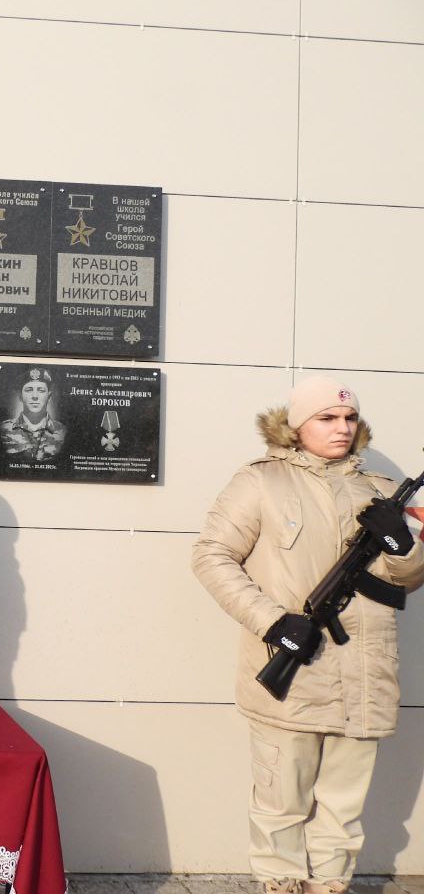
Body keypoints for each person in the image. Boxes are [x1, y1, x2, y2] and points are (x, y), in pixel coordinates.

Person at [192, 375, 424, 894]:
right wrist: (272, 621)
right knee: (281, 808)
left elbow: (409, 580)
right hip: (295, 675)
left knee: (343, 812)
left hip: (366, 677)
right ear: (296, 425)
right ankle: (280, 887)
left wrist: (402, 545)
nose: (341, 428)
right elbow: (211, 556)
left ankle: (331, 887)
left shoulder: (383, 490)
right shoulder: (260, 483)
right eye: (326, 418)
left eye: (348, 418)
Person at [0, 366, 66, 462]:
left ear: (49, 396)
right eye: (29, 390)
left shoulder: (63, 432)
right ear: (20, 396)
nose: (35, 396)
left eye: (41, 390)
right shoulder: (3, 430)